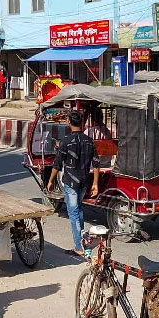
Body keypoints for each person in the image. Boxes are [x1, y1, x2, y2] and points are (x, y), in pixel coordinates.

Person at [46, 110, 100, 256]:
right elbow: (96, 164)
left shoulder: (66, 142)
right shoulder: (89, 141)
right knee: (79, 210)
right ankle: (83, 242)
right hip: (84, 181)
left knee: (74, 213)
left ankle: (79, 246)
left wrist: (50, 181)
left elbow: (57, 165)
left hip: (70, 182)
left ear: (69, 121)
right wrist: (95, 183)